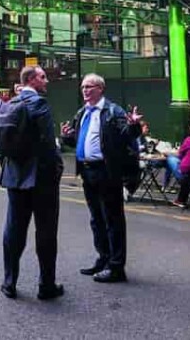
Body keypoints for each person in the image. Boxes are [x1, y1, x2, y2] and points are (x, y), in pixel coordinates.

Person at [60, 73, 141, 283]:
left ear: (100, 89)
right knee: (96, 219)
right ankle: (103, 258)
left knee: (112, 219)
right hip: (87, 172)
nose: (85, 90)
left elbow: (127, 135)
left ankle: (116, 267)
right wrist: (67, 136)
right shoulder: (83, 113)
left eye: (90, 86)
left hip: (106, 171)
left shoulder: (113, 111)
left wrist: (134, 126)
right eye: (83, 87)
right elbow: (78, 139)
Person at [0, 66, 64, 301]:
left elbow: (1, 147)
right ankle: (46, 285)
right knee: (46, 232)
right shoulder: (39, 104)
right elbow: (47, 144)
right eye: (43, 77)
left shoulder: (8, 105)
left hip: (15, 177)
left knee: (13, 230)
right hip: (40, 179)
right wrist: (57, 168)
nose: (46, 81)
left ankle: (9, 283)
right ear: (32, 80)